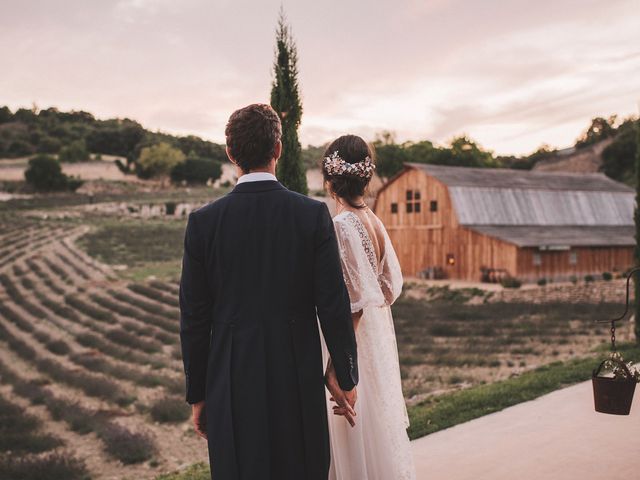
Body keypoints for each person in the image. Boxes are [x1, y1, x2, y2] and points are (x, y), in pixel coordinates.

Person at [179, 104, 358, 480]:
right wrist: (346, 374)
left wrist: (198, 394)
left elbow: (194, 319)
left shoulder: (203, 223)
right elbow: (333, 303)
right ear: (278, 149)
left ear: (231, 154)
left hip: (230, 381)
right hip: (296, 377)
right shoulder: (311, 215)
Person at [322, 135, 417, 480]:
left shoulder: (342, 226)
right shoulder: (373, 221)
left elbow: (355, 304)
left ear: (329, 179)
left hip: (351, 347)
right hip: (369, 350)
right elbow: (388, 289)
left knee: (353, 439)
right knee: (374, 433)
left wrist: (338, 366)